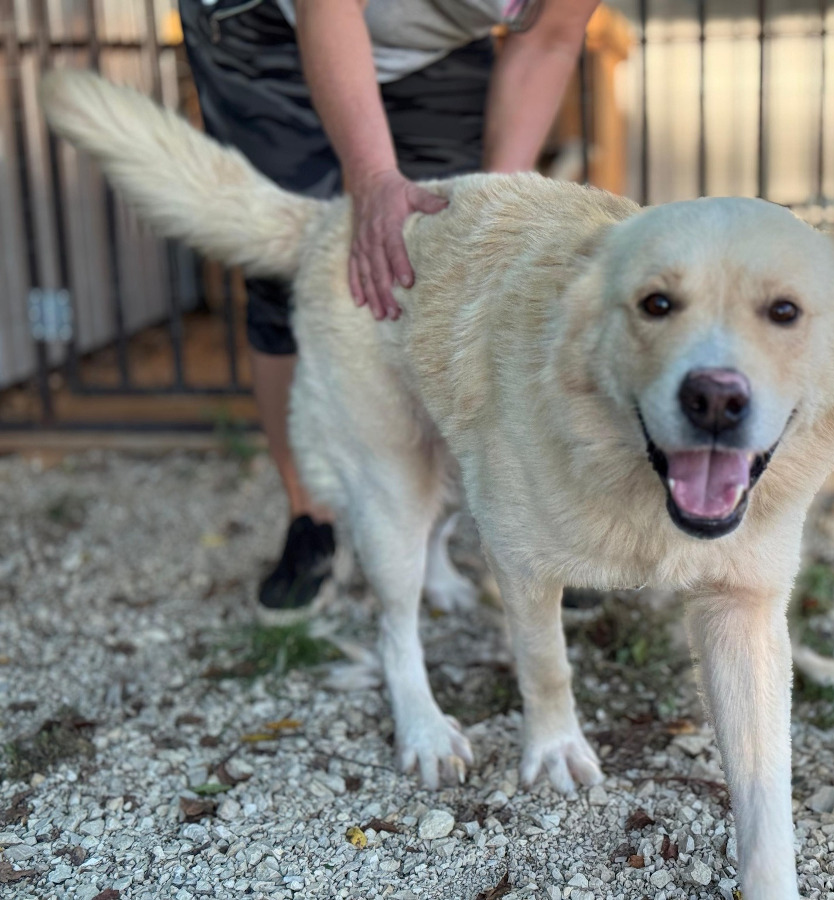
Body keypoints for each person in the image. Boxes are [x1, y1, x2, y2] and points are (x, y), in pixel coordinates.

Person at [178, 0, 600, 616]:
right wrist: (373, 177)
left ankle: (479, 515)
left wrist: (493, 206)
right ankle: (312, 518)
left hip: (434, 43)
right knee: (292, 267)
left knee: (449, 260)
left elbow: (549, 40)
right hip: (267, 24)